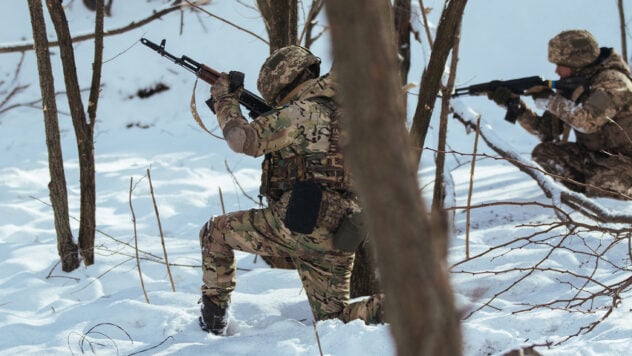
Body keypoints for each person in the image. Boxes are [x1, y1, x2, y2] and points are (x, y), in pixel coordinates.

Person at [197, 45, 385, 335]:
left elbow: (240, 139)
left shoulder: (301, 112)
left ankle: (210, 326)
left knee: (215, 233)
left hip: (298, 222)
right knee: (334, 321)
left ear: (280, 83)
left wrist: (224, 101)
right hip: (343, 231)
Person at [488, 29, 632, 199]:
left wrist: (550, 100)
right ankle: (579, 198)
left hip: (626, 163)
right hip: (596, 160)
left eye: (560, 64)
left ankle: (597, 202)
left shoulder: (613, 82)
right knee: (545, 154)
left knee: (603, 183)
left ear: (577, 62)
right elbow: (545, 132)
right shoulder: (575, 85)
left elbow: (587, 121)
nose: (556, 71)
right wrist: (516, 107)